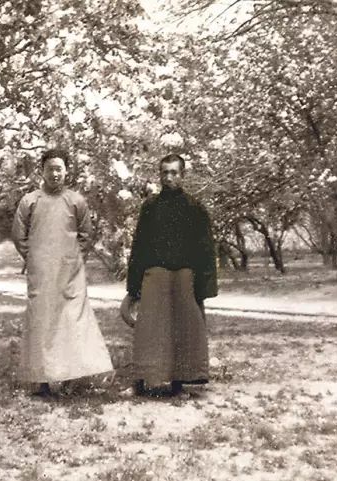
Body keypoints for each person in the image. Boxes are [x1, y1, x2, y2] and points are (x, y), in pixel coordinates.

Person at [12, 149, 113, 396]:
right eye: (50, 169)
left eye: (59, 169)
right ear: (42, 171)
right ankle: (42, 381)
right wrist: (35, 258)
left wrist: (72, 259)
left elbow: (86, 235)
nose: (54, 174)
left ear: (67, 171)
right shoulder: (30, 201)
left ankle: (72, 377)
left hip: (70, 273)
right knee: (42, 322)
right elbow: (19, 235)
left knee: (71, 322)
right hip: (41, 274)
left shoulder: (76, 201)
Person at [126, 153, 217, 395]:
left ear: (182, 175)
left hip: (184, 277)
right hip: (155, 275)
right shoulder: (150, 207)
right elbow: (139, 246)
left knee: (183, 330)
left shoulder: (194, 208)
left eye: (174, 172)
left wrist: (204, 287)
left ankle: (179, 382)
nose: (169, 177)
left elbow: (205, 248)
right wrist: (133, 287)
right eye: (164, 173)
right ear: (159, 175)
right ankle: (141, 381)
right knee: (149, 330)